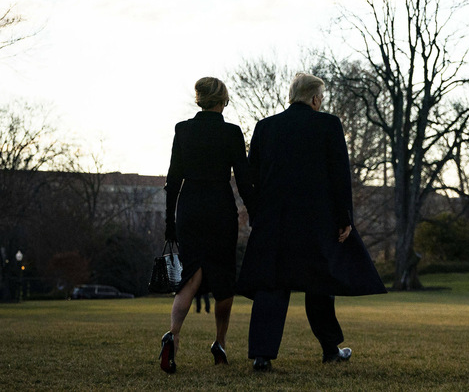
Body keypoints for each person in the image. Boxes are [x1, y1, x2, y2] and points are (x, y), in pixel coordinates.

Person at [237, 73, 386, 371]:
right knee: (320, 282)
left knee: (272, 284)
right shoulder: (328, 124)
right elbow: (340, 175)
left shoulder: (265, 127)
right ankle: (330, 349)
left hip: (274, 220)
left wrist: (257, 212)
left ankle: (262, 356)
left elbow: (249, 175)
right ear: (316, 98)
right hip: (317, 220)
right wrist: (345, 218)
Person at [159, 77, 256, 374]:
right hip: (219, 208)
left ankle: (173, 335)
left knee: (192, 275)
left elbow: (173, 178)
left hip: (189, 207)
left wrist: (169, 220)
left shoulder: (183, 130)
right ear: (222, 100)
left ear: (199, 99)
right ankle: (220, 342)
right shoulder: (231, 132)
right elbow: (242, 178)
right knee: (224, 278)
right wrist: (254, 211)